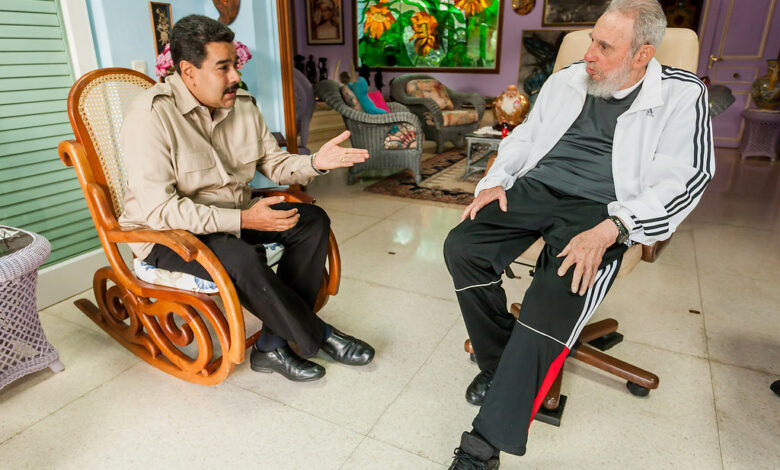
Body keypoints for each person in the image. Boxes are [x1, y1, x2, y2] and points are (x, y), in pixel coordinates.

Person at [442, 0, 714, 467]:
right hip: (538, 186)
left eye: (604, 46)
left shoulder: (682, 93)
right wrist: (493, 182)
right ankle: (502, 363)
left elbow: (689, 176)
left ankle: (481, 450)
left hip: (606, 209)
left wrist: (616, 227)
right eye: (592, 39)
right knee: (462, 246)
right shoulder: (568, 77)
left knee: (557, 291)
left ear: (642, 53)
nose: (589, 53)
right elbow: (525, 137)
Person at [119, 15, 374, 383]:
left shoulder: (241, 103)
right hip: (166, 234)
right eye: (223, 68)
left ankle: (271, 345)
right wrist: (243, 221)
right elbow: (160, 210)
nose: (235, 77)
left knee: (310, 221)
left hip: (234, 216)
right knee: (240, 255)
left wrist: (317, 162)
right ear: (189, 72)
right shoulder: (150, 116)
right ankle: (318, 335)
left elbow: (275, 163)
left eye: (234, 66)